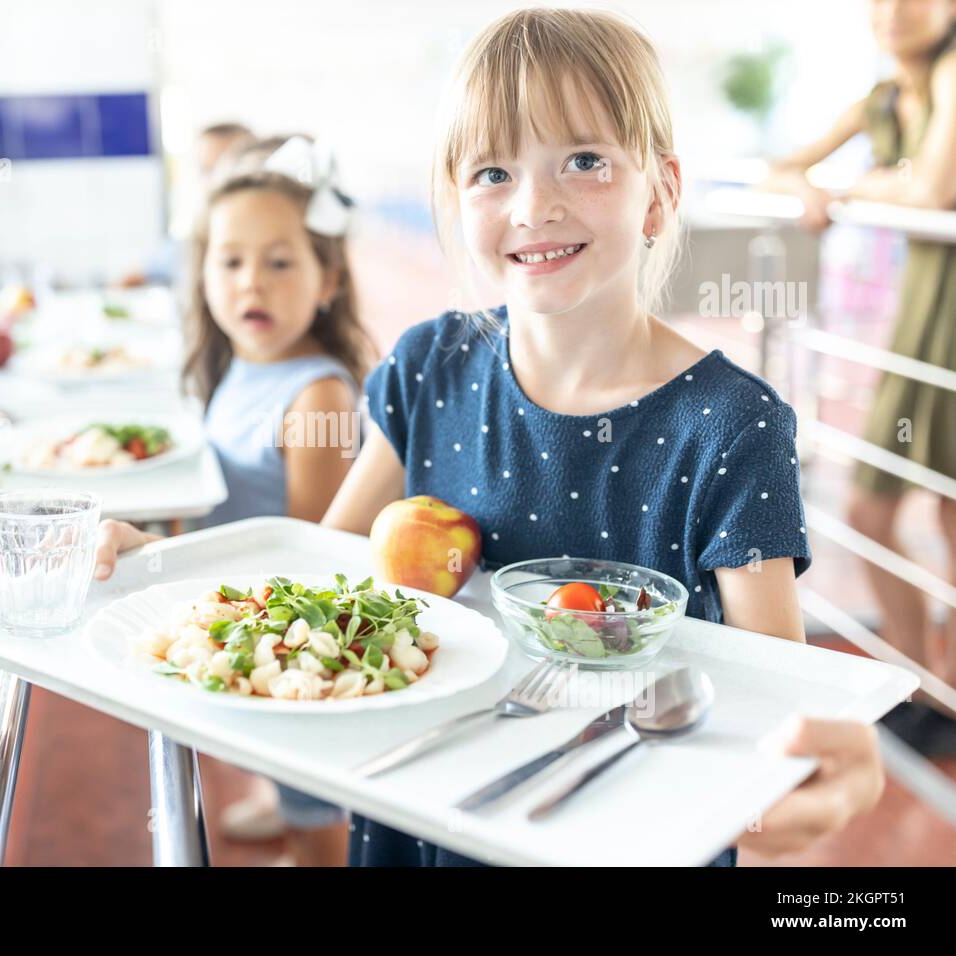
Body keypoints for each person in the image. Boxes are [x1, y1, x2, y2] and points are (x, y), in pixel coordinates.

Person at [92, 7, 887, 865]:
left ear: (659, 191)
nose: (535, 205)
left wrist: (806, 784)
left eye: (584, 161)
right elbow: (325, 573)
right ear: (454, 197)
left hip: (621, 828)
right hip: (421, 804)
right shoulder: (431, 365)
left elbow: (775, 700)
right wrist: (176, 577)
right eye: (493, 171)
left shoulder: (734, 425)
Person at [103, 136, 375, 864]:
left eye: (280, 262)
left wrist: (160, 552)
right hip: (244, 607)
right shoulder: (238, 367)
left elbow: (308, 565)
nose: (251, 282)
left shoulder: (315, 394)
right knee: (275, 772)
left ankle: (311, 846)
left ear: (328, 279)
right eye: (230, 261)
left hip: (294, 632)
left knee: (312, 795)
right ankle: (285, 820)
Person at [763, 0, 956, 753]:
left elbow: (933, 189)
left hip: (941, 327)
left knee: (947, 518)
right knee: (877, 512)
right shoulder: (881, 98)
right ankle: (920, 684)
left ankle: (938, 695)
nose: (894, 12)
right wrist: (814, 188)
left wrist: (845, 188)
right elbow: (785, 167)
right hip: (924, 322)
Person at [117, 122, 255, 288]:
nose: (216, 180)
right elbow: (131, 278)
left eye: (229, 168)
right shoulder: (184, 248)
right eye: (206, 170)